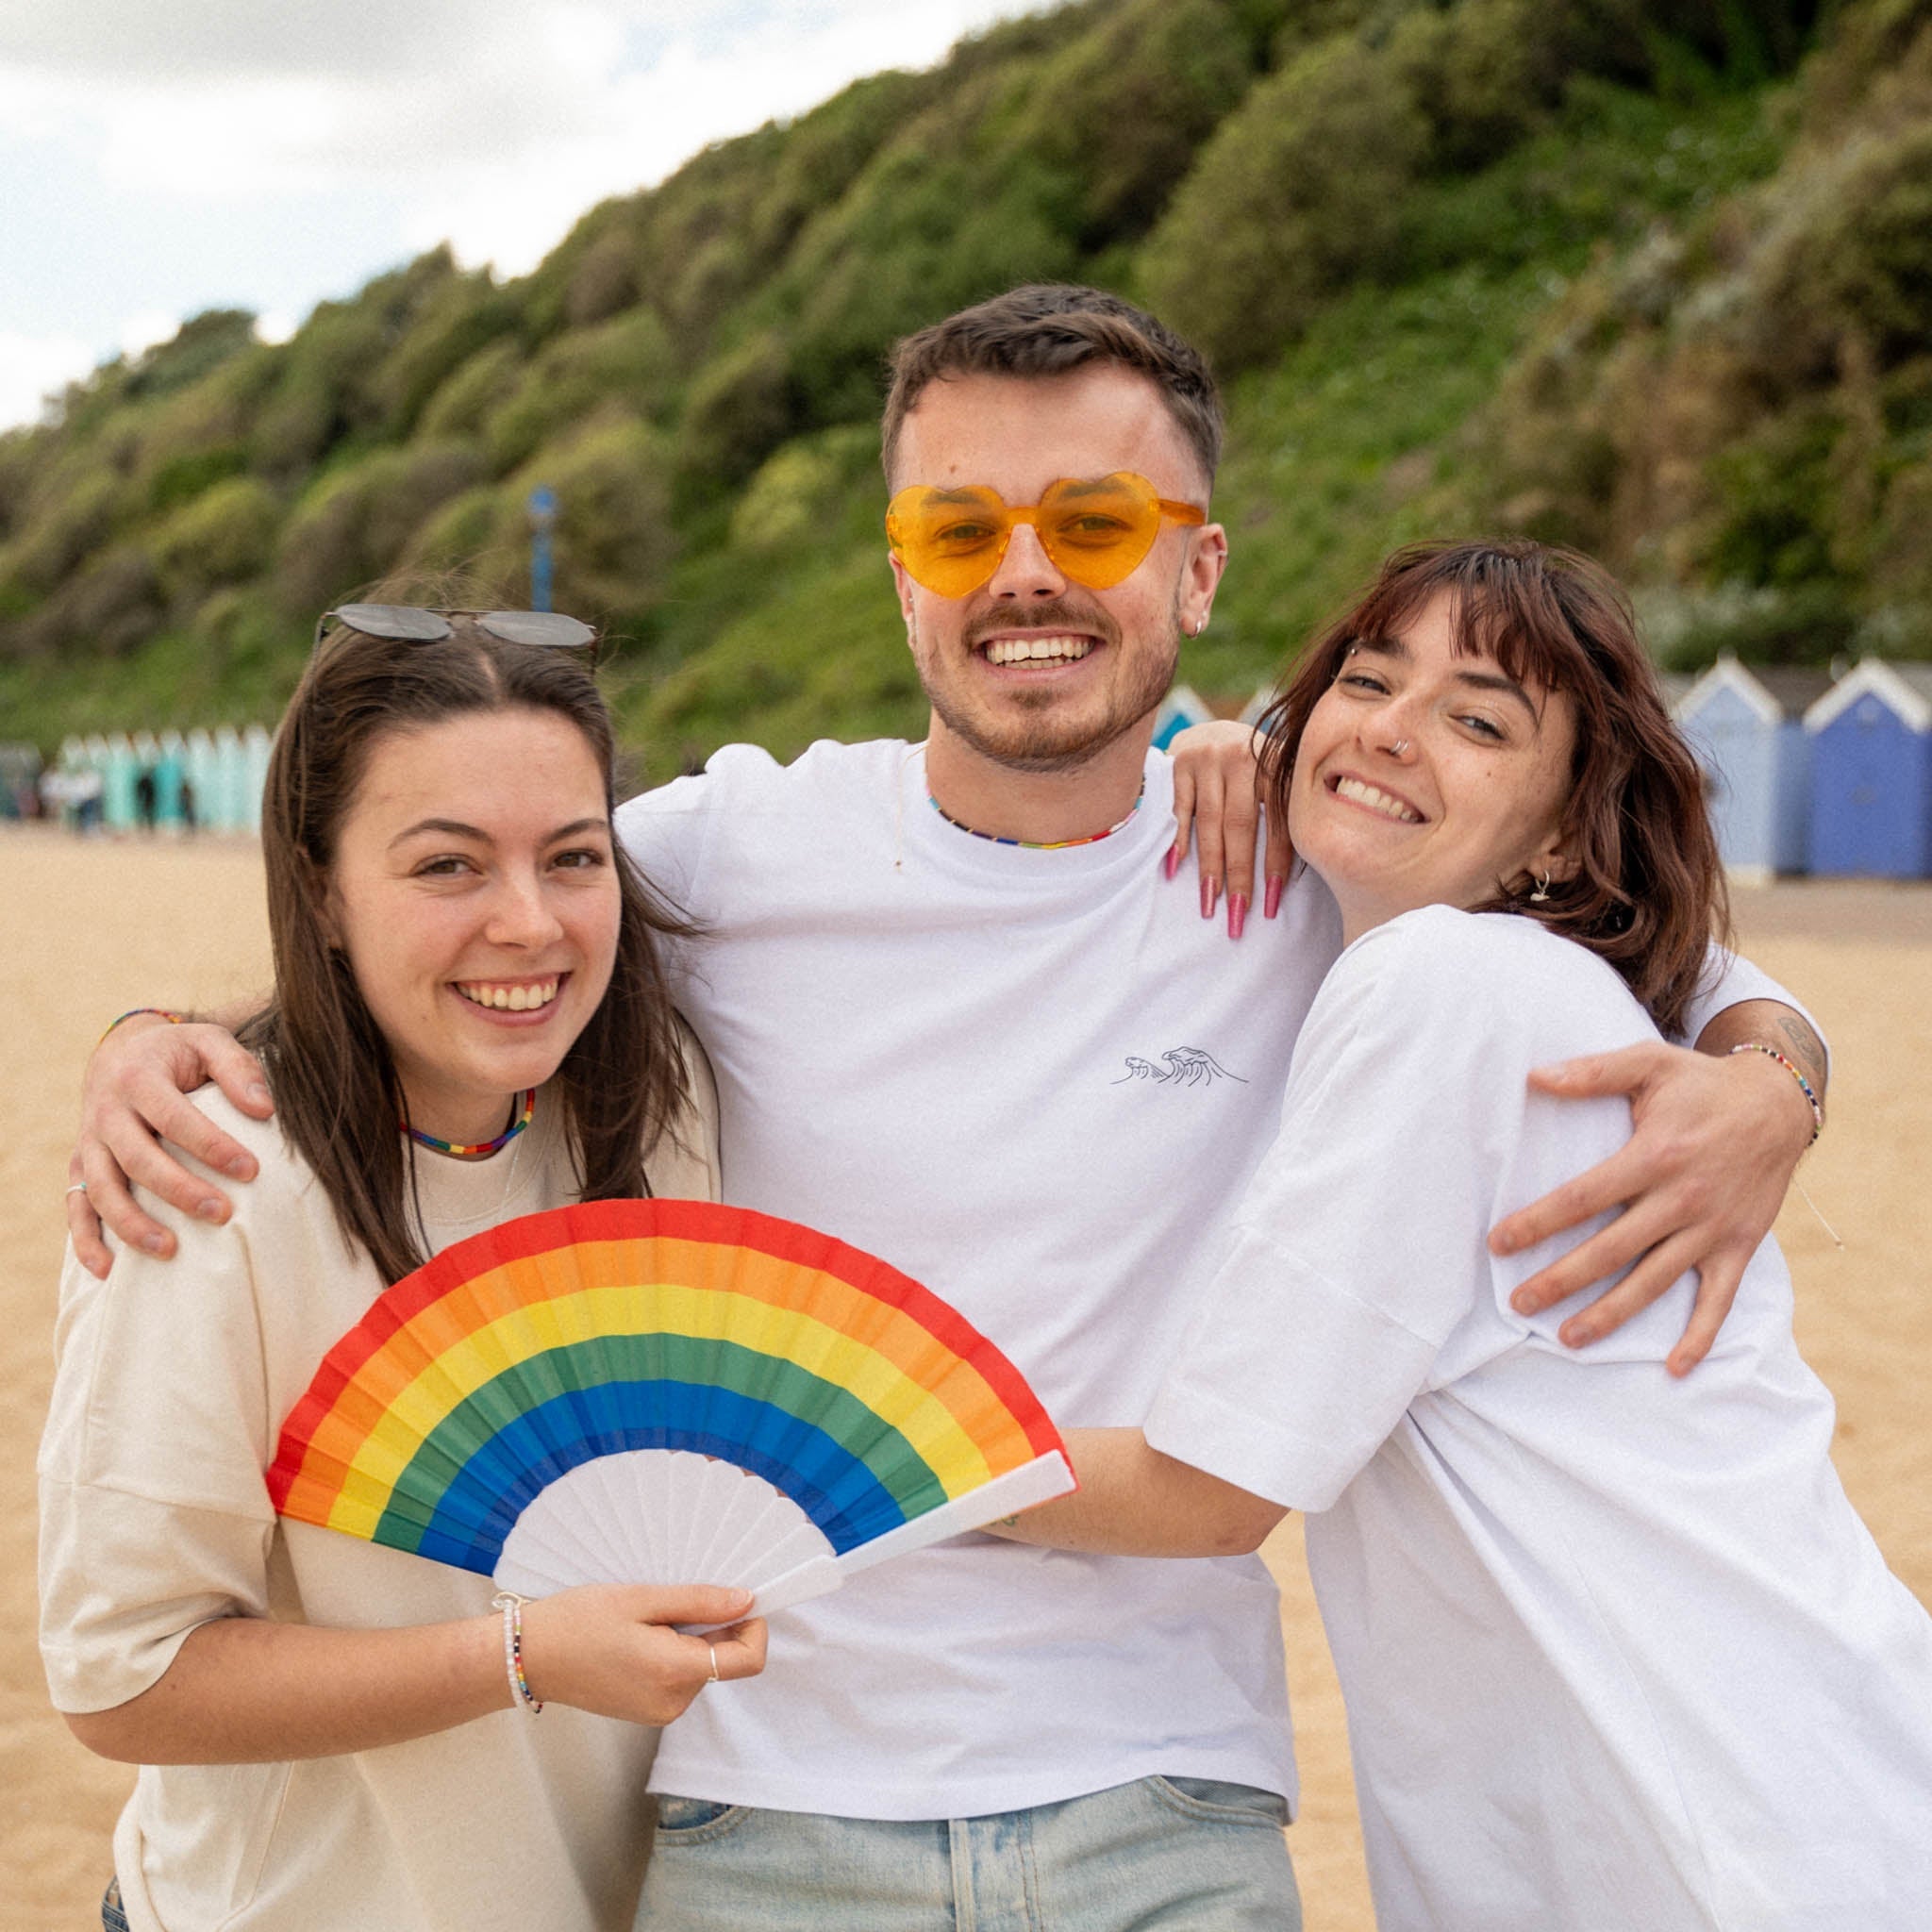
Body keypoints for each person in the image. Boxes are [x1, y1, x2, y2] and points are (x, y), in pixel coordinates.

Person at [66, 289, 1826, 1929]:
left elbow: (1652, 954)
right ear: (902, 572)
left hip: (1169, 1799)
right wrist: (160, 1036)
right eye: (962, 530)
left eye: (1097, 523)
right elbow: (478, 924)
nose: (1027, 576)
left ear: (1198, 569)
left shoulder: (1319, 865)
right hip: (769, 1801)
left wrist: (1771, 1077)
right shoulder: (740, 855)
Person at [991, 539, 1932, 1930]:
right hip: (1789, 1783)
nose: (1391, 727)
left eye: (1478, 719)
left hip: (1720, 1836)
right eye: (1369, 682)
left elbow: (1209, 1492)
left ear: (1561, 835)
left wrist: (856, 1444)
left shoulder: (1449, 984)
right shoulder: (1511, 971)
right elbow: (1730, 983)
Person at [39, 609, 767, 1932]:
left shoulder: (662, 1114)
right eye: (448, 867)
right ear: (321, 889)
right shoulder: (212, 1187)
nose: (529, 924)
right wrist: (523, 1658)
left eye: (573, 857)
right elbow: (124, 1680)